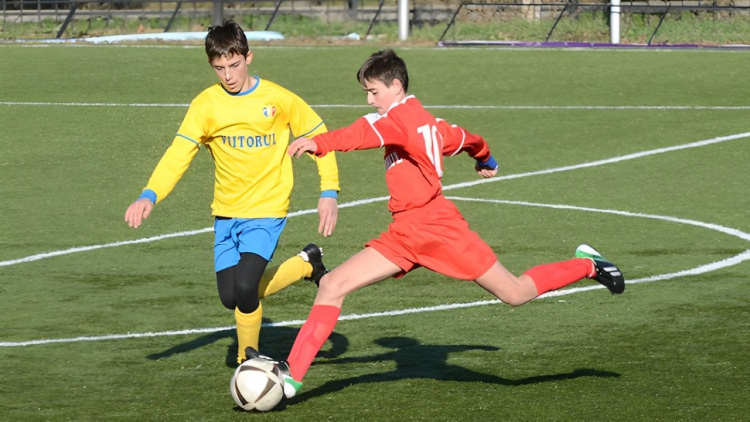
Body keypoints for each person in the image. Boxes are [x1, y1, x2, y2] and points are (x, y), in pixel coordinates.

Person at [244, 49, 626, 399]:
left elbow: (361, 133)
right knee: (332, 283)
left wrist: (319, 143)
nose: (369, 99)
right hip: (406, 232)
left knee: (515, 292)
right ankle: (292, 375)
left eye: (374, 91)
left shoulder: (398, 120)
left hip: (440, 229)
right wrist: (486, 160)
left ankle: (589, 264)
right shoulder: (429, 122)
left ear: (395, 86)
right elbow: (469, 138)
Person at [124, 20, 341, 365]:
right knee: (231, 296)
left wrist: (328, 189)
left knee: (244, 290)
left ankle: (246, 360)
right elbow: (179, 153)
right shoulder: (205, 105)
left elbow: (320, 136)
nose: (228, 75)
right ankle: (306, 265)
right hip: (226, 213)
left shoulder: (278, 99)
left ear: (249, 57)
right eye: (219, 68)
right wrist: (149, 195)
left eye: (235, 65)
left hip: (267, 210)